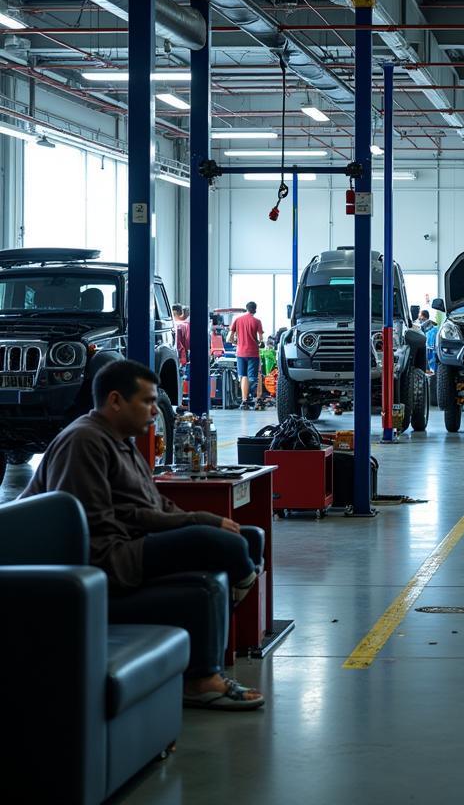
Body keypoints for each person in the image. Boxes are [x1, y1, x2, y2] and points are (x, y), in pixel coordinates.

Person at [20, 359, 264, 710]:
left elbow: (153, 502)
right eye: (147, 401)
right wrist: (196, 523)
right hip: (104, 560)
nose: (155, 410)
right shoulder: (84, 441)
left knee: (248, 537)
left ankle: (227, 606)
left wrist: (197, 518)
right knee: (217, 544)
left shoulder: (120, 440)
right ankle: (201, 680)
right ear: (116, 400)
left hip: (128, 544)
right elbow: (92, 524)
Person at [228, 301, 264, 408]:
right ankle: (257, 399)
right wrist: (259, 342)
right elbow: (261, 340)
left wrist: (237, 343)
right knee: (256, 375)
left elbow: (230, 338)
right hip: (253, 352)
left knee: (243, 376)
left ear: (246, 309)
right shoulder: (257, 321)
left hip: (240, 353)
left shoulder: (237, 320)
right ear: (255, 309)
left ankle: (244, 401)